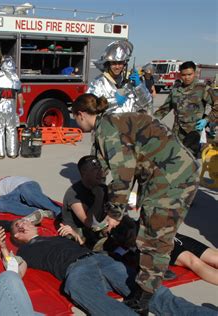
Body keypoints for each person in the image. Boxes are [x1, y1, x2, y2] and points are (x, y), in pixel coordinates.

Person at [71, 93, 199, 313]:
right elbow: (113, 166)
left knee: (153, 239)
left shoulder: (108, 130)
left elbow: (124, 173)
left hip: (171, 179)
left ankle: (142, 299)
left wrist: (115, 213)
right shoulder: (109, 123)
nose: (75, 122)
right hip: (170, 175)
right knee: (150, 235)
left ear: (81, 114)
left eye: (74, 117)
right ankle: (146, 288)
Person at [0, 219, 215, 316]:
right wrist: (4, 248)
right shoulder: (25, 251)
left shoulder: (57, 236)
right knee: (80, 290)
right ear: (16, 236)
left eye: (24, 221)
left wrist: (75, 236)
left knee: (148, 290)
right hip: (77, 270)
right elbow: (15, 267)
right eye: (17, 225)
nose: (22, 223)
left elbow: (88, 244)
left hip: (102, 259)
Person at [154, 61, 218, 157]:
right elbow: (164, 109)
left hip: (194, 133)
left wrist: (206, 120)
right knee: (174, 159)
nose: (187, 77)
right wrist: (150, 121)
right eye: (183, 75)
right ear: (180, 74)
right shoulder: (176, 90)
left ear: (195, 73)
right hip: (177, 133)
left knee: (188, 160)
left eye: (189, 74)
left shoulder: (202, 89)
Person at [87, 40, 153, 113]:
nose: (117, 67)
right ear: (108, 64)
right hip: (107, 123)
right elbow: (90, 106)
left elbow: (147, 103)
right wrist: (113, 102)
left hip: (128, 122)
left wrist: (139, 87)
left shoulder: (130, 83)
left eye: (120, 63)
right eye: (114, 63)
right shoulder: (99, 83)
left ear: (124, 64)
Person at [0, 56, 24, 159]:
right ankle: (12, 153)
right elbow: (20, 96)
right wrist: (21, 107)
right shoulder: (16, 79)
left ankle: (0, 153)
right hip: (11, 105)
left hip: (0, 106)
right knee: (11, 129)